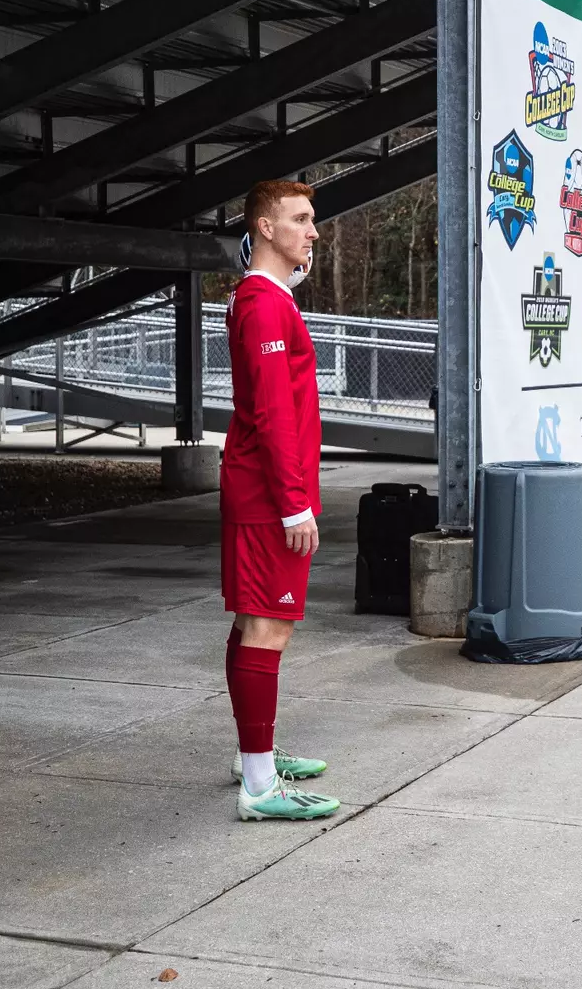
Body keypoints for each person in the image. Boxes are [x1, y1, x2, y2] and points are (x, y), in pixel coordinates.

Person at [220, 179, 340, 822]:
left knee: (251, 622)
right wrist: (296, 503)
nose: (312, 232)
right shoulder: (264, 305)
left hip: (260, 488)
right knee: (269, 626)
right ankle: (261, 788)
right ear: (264, 228)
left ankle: (253, 756)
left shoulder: (267, 298)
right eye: (299, 220)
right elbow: (271, 412)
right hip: (270, 495)